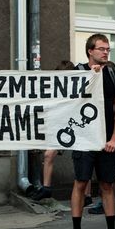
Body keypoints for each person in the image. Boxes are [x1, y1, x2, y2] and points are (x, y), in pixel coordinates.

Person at [70, 34, 115, 229]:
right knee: (81, 182)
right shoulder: (76, 73)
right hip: (83, 139)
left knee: (107, 184)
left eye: (107, 49)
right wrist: (88, 79)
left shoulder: (113, 75)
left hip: (106, 140)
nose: (105, 52)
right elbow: (67, 104)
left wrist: (114, 138)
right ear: (90, 51)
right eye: (101, 49)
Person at [30, 60, 76, 202]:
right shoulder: (54, 88)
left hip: (78, 127)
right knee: (49, 155)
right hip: (61, 128)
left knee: (86, 163)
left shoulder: (77, 87)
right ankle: (46, 188)